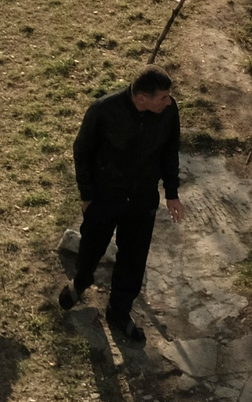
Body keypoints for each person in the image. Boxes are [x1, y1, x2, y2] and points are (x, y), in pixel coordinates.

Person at [56, 68, 185, 342]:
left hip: (142, 199)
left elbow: (170, 150)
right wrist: (88, 195)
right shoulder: (103, 111)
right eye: (162, 97)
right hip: (105, 196)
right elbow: (82, 151)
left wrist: (171, 192)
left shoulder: (169, 112)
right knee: (91, 244)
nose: (168, 101)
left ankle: (119, 310)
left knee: (134, 258)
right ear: (141, 98)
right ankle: (81, 281)